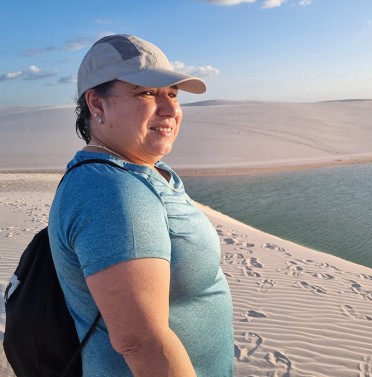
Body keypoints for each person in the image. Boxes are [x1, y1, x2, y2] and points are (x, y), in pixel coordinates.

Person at [48, 34, 234, 377]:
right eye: (146, 93)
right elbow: (141, 342)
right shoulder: (111, 190)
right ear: (97, 104)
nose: (170, 110)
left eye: (173, 95)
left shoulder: (143, 172)